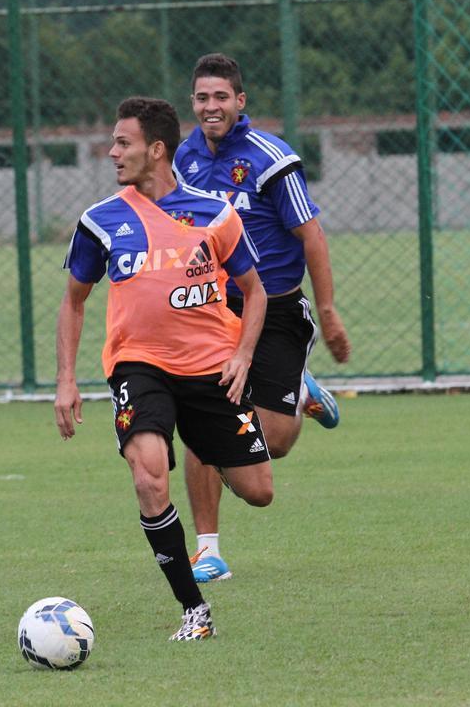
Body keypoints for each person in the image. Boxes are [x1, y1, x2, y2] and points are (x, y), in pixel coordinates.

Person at [54, 96, 272, 641]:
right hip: (138, 367)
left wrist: (243, 354)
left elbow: (254, 290)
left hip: (211, 370)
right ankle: (194, 611)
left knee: (258, 490)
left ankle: (210, 445)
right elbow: (73, 301)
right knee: (150, 476)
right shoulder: (100, 221)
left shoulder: (214, 214)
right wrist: (65, 381)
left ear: (156, 149)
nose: (111, 152)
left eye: (122, 142)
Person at [174, 53, 352, 584]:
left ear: (240, 101)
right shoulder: (181, 159)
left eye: (221, 97)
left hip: (274, 309)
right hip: (212, 310)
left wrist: (327, 309)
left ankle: (297, 388)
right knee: (201, 421)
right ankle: (207, 550)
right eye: (203, 98)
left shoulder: (270, 159)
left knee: (272, 442)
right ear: (193, 103)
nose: (212, 107)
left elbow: (311, 234)